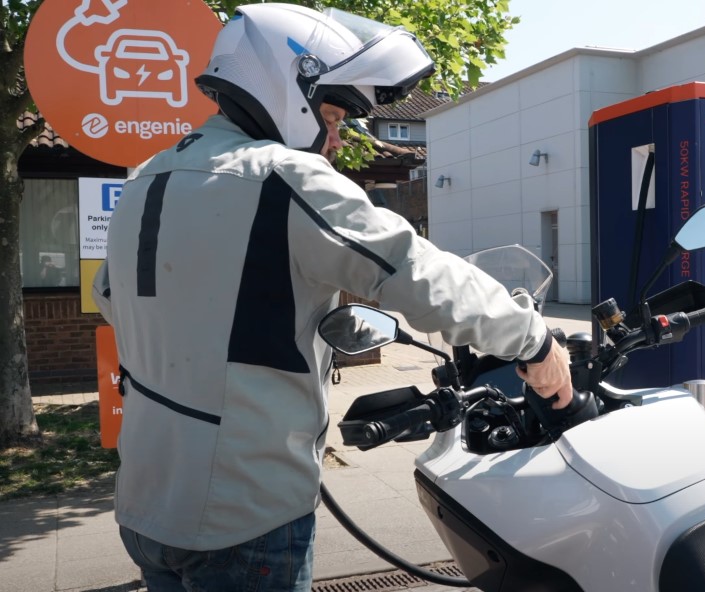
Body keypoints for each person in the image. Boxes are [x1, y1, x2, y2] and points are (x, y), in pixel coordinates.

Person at [91, 4, 572, 591]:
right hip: (244, 513)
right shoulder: (283, 179)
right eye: (334, 114)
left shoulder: (144, 179)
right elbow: (414, 270)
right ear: (288, 83)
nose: (339, 139)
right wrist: (534, 338)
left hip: (145, 503)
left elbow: (112, 301)